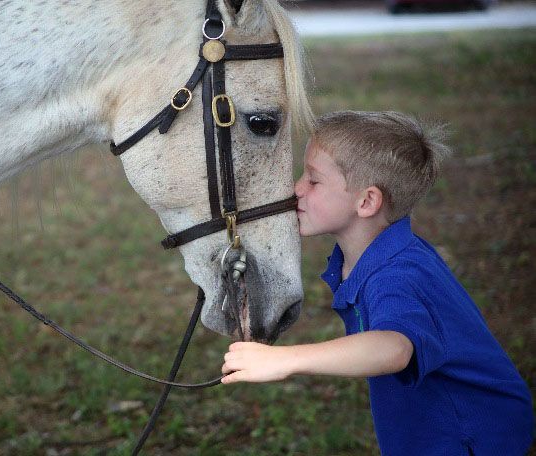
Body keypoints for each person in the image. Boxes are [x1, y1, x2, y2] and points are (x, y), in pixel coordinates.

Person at [220, 111, 534, 455]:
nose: (296, 189)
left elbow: (394, 349)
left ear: (366, 202)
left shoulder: (397, 274)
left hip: (471, 438)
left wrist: (287, 359)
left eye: (313, 180)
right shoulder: (369, 258)